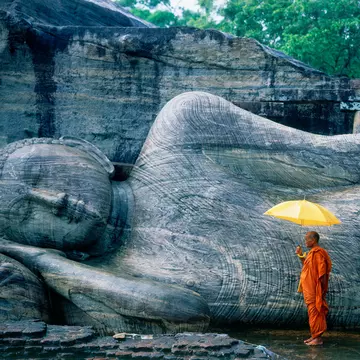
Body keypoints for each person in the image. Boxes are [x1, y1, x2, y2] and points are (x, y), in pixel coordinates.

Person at [296, 231, 332, 346]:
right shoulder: (311, 253)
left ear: (313, 240)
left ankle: (318, 338)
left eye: (307, 239)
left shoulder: (318, 253)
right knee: (312, 311)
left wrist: (320, 290)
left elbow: (322, 273)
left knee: (315, 311)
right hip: (309, 287)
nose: (305, 241)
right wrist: (300, 254)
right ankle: (314, 335)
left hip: (314, 288)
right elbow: (308, 267)